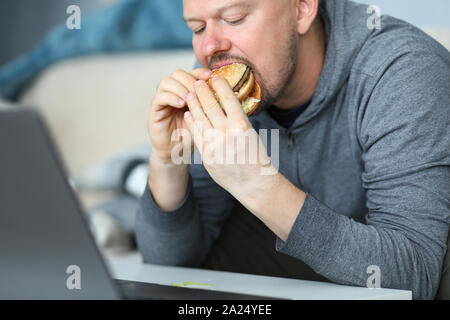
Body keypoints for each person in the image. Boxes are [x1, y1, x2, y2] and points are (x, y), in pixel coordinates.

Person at [135, 0, 450, 300]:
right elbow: (167, 267)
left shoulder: (401, 73)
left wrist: (258, 186)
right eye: (197, 28)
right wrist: (167, 161)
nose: (208, 49)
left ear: (302, 9)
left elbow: (414, 278)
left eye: (233, 19)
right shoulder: (230, 75)